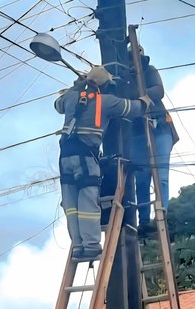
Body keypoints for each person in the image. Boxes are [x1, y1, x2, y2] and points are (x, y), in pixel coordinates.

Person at [55, 66, 150, 262]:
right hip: (87, 157)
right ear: (105, 84)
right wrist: (146, 101)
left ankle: (78, 245)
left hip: (65, 157)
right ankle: (91, 245)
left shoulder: (72, 97)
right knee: (88, 200)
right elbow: (132, 109)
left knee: (71, 204)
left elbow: (57, 105)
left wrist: (76, 87)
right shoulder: (106, 102)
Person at [128, 45, 180, 237]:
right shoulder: (123, 77)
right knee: (141, 178)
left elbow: (158, 90)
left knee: (161, 174)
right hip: (137, 132)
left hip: (160, 128)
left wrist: (140, 95)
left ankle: (162, 212)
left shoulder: (149, 70)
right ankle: (143, 219)